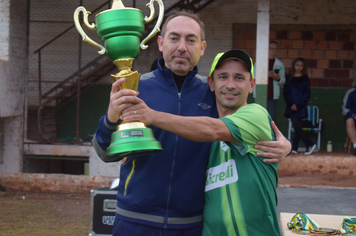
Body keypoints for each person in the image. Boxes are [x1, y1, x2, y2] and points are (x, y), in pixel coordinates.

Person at [93, 11, 291, 236]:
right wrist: (110, 117)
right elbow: (105, 152)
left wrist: (286, 146)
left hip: (190, 225)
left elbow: (241, 127)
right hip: (134, 220)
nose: (181, 47)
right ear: (161, 42)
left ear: (202, 47)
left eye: (191, 40)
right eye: (174, 38)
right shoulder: (135, 87)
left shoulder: (212, 94)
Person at [120, 49, 281, 235]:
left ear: (251, 85)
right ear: (211, 83)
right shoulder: (202, 134)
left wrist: (151, 115)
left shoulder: (256, 114)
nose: (230, 85)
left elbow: (212, 130)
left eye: (239, 78)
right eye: (223, 77)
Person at [283, 58, 316, 154]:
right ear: (293, 66)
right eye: (297, 65)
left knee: (298, 127)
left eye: (301, 66)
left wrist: (298, 105)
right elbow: (286, 92)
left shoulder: (305, 78)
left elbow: (307, 94)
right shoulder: (289, 77)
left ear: (303, 67)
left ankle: (296, 148)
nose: (299, 67)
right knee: (296, 126)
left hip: (301, 107)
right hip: (291, 107)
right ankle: (308, 144)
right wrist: (291, 104)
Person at [253, 41, 286, 120]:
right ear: (267, 49)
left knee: (270, 118)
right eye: (271, 48)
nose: (273, 50)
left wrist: (277, 78)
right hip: (260, 93)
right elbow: (253, 78)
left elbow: (283, 81)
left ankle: (269, 132)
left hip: (273, 95)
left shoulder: (279, 64)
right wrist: (266, 75)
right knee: (258, 117)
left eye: (275, 49)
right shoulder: (260, 62)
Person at [341, 84, 356, 155]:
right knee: (349, 121)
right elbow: (344, 109)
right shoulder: (351, 92)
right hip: (353, 117)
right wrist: (353, 115)